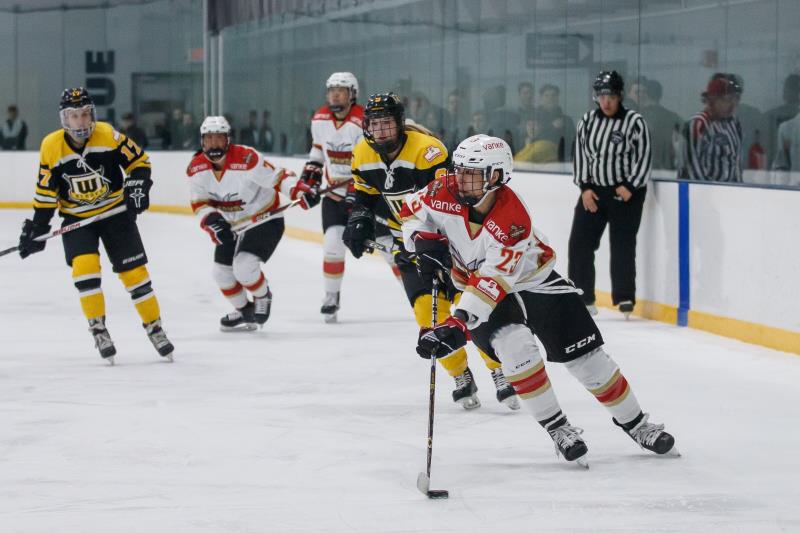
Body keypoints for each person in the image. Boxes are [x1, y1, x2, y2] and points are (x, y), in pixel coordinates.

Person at [402, 134, 677, 466]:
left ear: (496, 177)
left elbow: (494, 281)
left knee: (588, 360)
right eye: (458, 170)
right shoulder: (442, 189)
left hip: (535, 282)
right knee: (515, 348)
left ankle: (637, 424)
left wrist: (459, 324)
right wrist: (420, 239)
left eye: (471, 174)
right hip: (482, 289)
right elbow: (410, 211)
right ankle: (559, 429)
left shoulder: (512, 219)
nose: (460, 180)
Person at [344, 92, 519, 410]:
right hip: (409, 245)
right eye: (375, 125)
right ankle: (460, 375)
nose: (381, 132)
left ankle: (498, 371)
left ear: (399, 123)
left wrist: (435, 241)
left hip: (454, 246)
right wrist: (359, 218)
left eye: (387, 124)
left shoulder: (428, 151)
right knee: (428, 315)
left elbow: (448, 198)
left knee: (470, 310)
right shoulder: (361, 153)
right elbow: (365, 195)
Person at [16, 87, 174, 363]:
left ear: (93, 115)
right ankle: (99, 329)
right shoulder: (51, 146)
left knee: (135, 274)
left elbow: (139, 161)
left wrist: (137, 186)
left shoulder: (108, 135)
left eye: (85, 114)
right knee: (85, 270)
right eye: (74, 116)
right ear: (64, 118)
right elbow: (45, 193)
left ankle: (155, 327)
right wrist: (38, 228)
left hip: (114, 213)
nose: (81, 121)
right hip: (78, 219)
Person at [187, 116, 318, 331]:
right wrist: (213, 221)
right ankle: (245, 311)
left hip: (264, 219)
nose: (214, 144)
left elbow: (278, 177)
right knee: (221, 274)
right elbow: (199, 202)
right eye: (209, 139)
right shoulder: (196, 168)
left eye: (219, 139)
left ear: (228, 139)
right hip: (231, 225)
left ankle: (262, 296)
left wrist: (297, 190)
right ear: (202, 141)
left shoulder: (247, 158)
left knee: (244, 266)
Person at [298, 73, 397, 323]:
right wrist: (309, 180)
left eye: (341, 90)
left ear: (352, 94)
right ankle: (331, 297)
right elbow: (318, 152)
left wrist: (357, 194)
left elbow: (370, 162)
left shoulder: (364, 121)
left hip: (367, 196)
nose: (335, 94)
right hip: (334, 196)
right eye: (331, 90)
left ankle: (415, 294)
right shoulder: (319, 118)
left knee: (388, 249)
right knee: (332, 244)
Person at [568, 71, 651, 317]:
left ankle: (625, 298)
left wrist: (630, 186)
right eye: (601, 96)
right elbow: (580, 155)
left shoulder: (635, 121)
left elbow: (644, 156)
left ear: (620, 96)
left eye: (611, 96)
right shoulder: (587, 121)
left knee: (623, 245)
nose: (606, 102)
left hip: (625, 193)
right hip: (593, 192)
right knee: (580, 244)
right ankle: (583, 295)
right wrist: (585, 188)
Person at [680, 73, 743, 183]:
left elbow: (736, 162)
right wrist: (708, 194)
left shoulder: (734, 124)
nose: (732, 105)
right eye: (726, 99)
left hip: (730, 193)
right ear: (712, 100)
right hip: (704, 195)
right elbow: (692, 168)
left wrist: (739, 188)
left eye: (734, 99)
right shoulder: (698, 123)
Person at [638, 79, 682, 171]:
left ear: (645, 94)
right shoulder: (672, 117)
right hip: (668, 170)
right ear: (660, 95)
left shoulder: (637, 117)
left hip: (644, 170)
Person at [534, 84, 575, 162]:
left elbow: (573, 142)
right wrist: (552, 127)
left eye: (553, 95)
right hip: (538, 163)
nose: (550, 98)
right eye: (546, 96)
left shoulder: (567, 120)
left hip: (561, 162)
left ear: (558, 98)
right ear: (541, 99)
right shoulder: (533, 118)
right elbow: (531, 141)